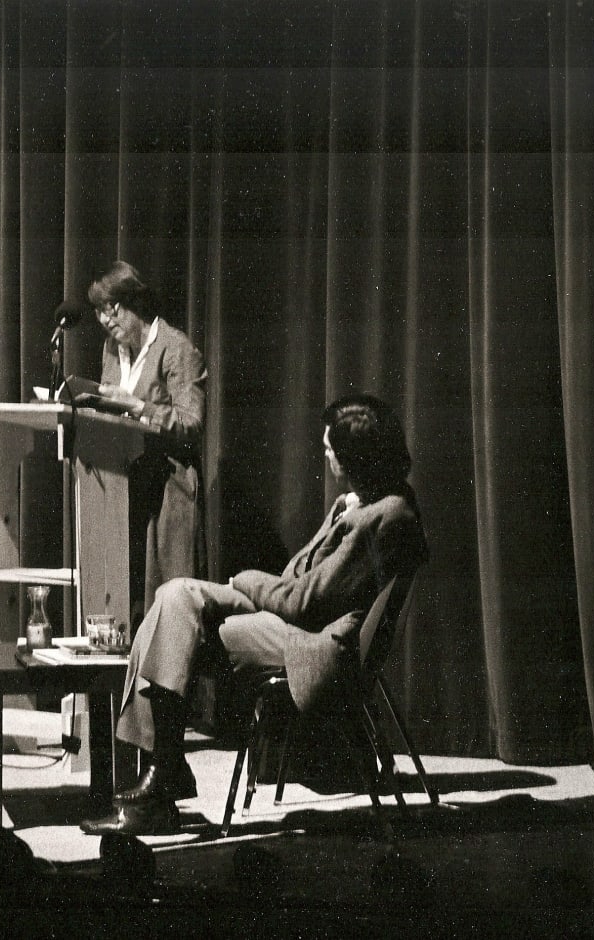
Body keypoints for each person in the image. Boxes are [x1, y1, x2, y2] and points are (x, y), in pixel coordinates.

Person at [81, 393, 428, 836]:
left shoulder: (382, 516)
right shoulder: (367, 502)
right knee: (175, 596)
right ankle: (165, 771)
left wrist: (243, 581)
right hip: (296, 621)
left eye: (331, 451)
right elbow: (300, 583)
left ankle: (161, 782)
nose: (325, 457)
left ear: (357, 457)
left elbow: (305, 602)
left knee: (176, 629)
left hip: (314, 643)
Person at [86, 261, 207, 617]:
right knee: (126, 600)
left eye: (114, 309)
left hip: (169, 491)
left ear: (135, 303)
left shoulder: (176, 348)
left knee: (168, 604)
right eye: (99, 312)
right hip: (122, 487)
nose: (107, 319)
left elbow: (191, 423)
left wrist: (138, 406)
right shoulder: (111, 350)